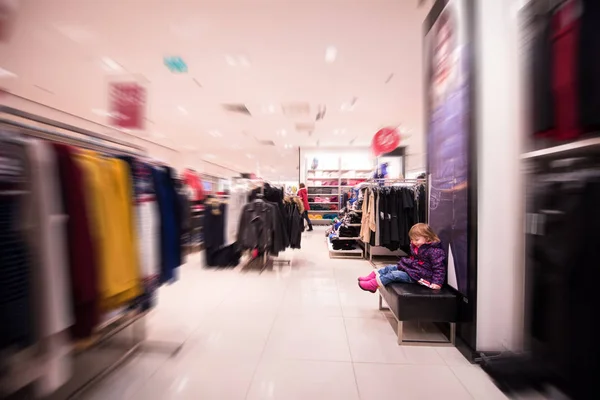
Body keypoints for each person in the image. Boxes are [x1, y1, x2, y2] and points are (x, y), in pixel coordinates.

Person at [357, 223, 446, 292]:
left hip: (420, 277)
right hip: (414, 270)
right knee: (390, 267)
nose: (414, 242)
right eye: (412, 240)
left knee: (394, 275)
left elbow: (439, 268)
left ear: (427, 238)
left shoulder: (435, 251)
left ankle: (373, 285)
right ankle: (372, 277)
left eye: (417, 240)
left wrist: (437, 282)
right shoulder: (418, 247)